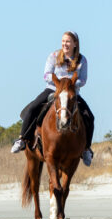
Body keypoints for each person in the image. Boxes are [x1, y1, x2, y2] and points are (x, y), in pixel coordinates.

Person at [11, 31, 94, 166]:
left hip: (72, 93)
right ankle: (22, 139)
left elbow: (83, 79)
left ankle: (86, 149)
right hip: (53, 89)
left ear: (75, 44)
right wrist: (61, 83)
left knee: (89, 116)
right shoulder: (54, 56)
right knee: (32, 108)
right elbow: (46, 74)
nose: (65, 44)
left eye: (68, 41)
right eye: (63, 41)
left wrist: (70, 85)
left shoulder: (82, 60)